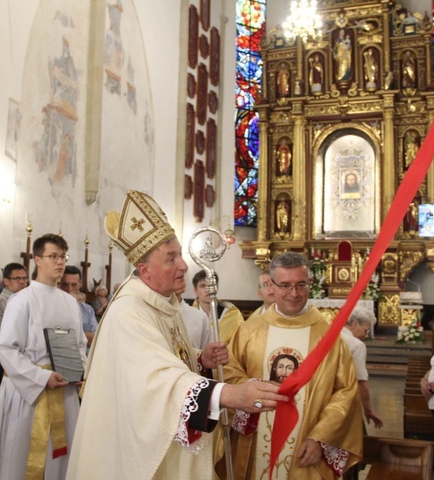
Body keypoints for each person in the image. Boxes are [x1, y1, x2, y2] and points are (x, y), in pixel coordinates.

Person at [68, 190, 287, 479]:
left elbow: (164, 357)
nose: (183, 265)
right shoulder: (129, 311)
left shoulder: (163, 304)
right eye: (171, 258)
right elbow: (157, 380)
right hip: (132, 448)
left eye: (180, 255)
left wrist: (200, 358)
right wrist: (230, 394)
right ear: (145, 270)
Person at [222, 251, 362, 479]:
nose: (294, 293)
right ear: (271, 286)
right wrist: (250, 396)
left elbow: (346, 391)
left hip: (306, 448)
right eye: (285, 285)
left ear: (310, 284)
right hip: (256, 443)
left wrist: (321, 438)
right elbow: (229, 374)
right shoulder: (249, 330)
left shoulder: (328, 335)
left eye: (301, 285)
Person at [0, 234, 87, 480]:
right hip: (30, 391)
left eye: (63, 256)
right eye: (53, 256)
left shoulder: (69, 302)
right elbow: (8, 349)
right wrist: (41, 377)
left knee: (62, 459)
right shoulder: (21, 300)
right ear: (37, 260)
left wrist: (80, 372)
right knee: (23, 456)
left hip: (64, 387)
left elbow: (80, 345)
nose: (60, 262)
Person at [341, 306, 384, 429]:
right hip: (344, 402)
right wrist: (368, 410)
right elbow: (360, 381)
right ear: (355, 323)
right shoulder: (356, 345)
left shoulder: (327, 335)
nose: (365, 335)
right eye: (366, 331)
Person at [0, 262, 27, 388]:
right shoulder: (4, 301)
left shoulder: (20, 299)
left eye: (24, 278)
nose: (22, 282)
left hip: (16, 360)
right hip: (4, 360)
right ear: (6, 281)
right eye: (17, 278)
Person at [191, 270, 244, 345]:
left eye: (211, 285)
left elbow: (240, 344)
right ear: (195, 290)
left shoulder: (232, 314)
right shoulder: (189, 315)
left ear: (217, 288)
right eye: (203, 286)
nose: (208, 289)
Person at [59, 265, 98, 348]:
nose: (69, 289)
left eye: (74, 285)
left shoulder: (88, 310)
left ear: (80, 284)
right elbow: (58, 338)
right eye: (65, 284)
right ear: (59, 284)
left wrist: (71, 335)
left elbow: (96, 339)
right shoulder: (53, 308)